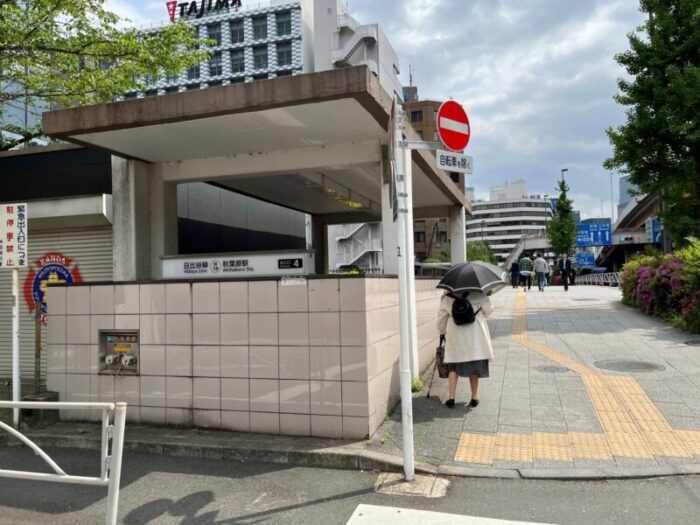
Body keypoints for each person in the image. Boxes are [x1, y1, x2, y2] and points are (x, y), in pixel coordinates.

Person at [437, 291, 494, 408]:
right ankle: (474, 398)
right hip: (475, 333)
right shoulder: (479, 293)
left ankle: (451, 398)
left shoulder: (447, 295)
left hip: (455, 333)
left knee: (453, 365)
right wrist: (478, 315)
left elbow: (441, 317)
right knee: (474, 364)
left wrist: (442, 332)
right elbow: (489, 309)